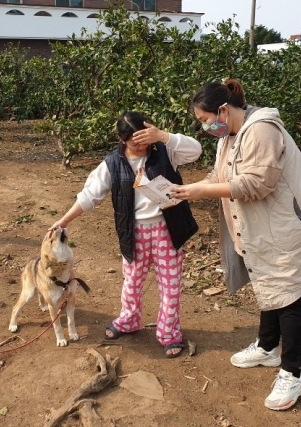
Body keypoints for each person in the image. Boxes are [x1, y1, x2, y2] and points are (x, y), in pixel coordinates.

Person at [169, 79, 301, 409]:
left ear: (223, 109)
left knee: (288, 296)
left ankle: (294, 375)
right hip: (262, 228)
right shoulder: (230, 135)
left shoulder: (261, 130)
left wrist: (200, 192)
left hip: (285, 228)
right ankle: (267, 347)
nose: (206, 126)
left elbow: (257, 184)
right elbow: (221, 178)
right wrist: (186, 189)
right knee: (268, 284)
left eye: (205, 119)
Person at [49, 111, 201, 358]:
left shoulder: (165, 150)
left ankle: (169, 333)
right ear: (122, 140)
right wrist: (65, 219)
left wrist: (163, 136)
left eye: (144, 139)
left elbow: (195, 151)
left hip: (167, 229)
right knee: (132, 283)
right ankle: (128, 320)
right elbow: (90, 196)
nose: (141, 146)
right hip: (134, 233)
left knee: (170, 285)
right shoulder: (112, 163)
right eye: (134, 142)